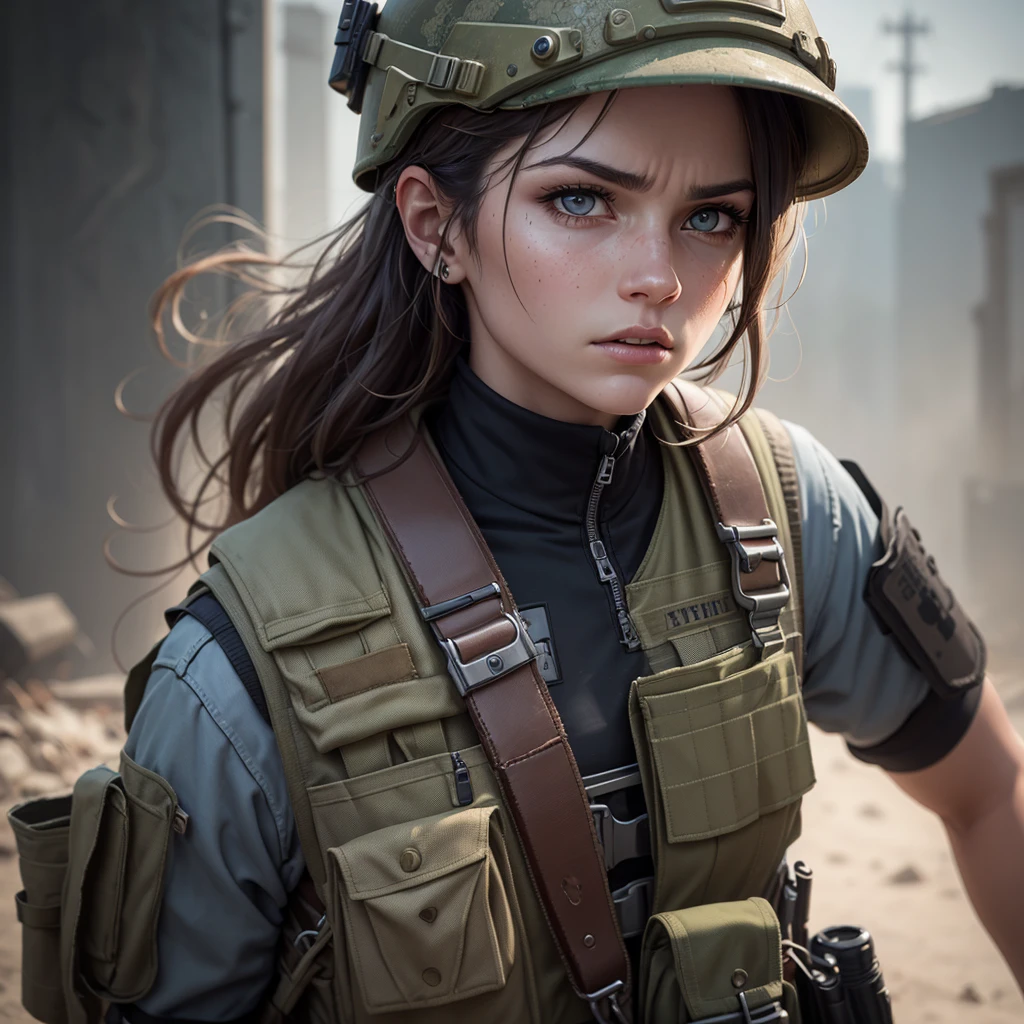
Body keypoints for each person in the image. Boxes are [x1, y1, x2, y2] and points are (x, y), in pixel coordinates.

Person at [11, 1, 1023, 1023]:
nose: (658, 277)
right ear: (433, 224)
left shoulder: (786, 509)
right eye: (581, 200)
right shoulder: (244, 665)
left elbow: (990, 793)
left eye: (712, 215)